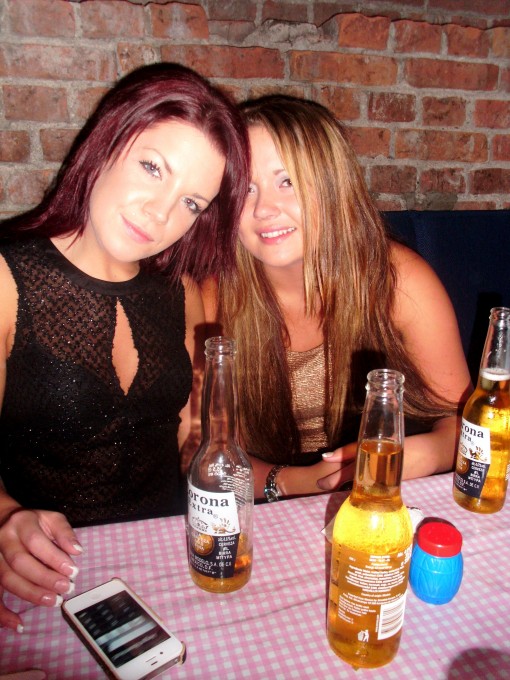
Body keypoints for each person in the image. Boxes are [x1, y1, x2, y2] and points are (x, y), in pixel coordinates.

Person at [0, 62, 249, 632]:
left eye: (192, 203)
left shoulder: (182, 292)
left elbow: (192, 436)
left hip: (171, 559)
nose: (161, 213)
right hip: (45, 574)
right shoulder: (8, 278)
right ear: (107, 142)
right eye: (152, 167)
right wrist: (5, 517)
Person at [202, 94, 471, 502]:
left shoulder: (399, 281)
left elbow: (463, 422)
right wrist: (297, 482)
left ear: (333, 187)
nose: (263, 209)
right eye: (246, 189)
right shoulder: (212, 299)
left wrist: (422, 454)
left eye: (288, 181)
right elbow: (210, 456)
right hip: (267, 509)